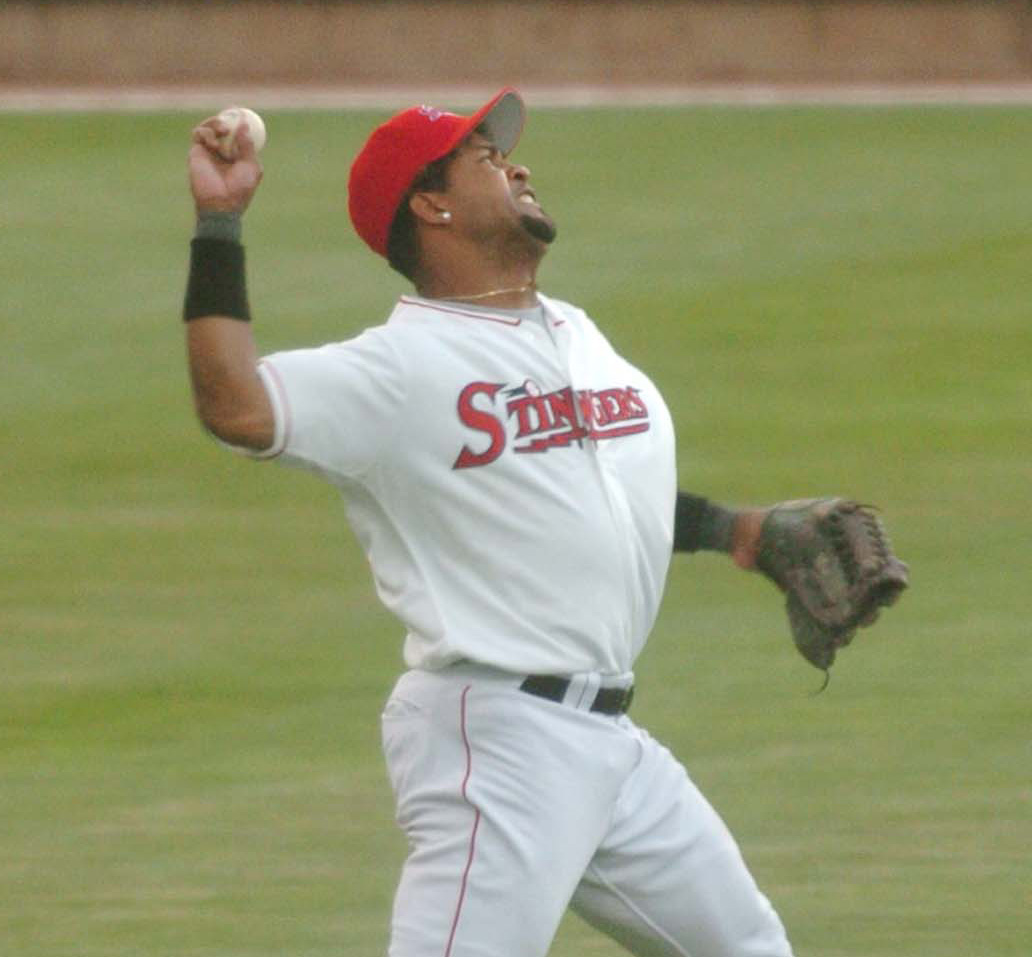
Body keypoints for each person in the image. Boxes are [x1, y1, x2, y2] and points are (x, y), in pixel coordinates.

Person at [182, 88, 797, 956]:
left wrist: (734, 529)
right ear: (429, 204)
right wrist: (220, 222)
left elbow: (579, 496)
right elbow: (235, 405)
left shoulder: (571, 332)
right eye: (484, 157)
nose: (517, 165)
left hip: (611, 742)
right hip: (500, 738)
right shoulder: (398, 368)